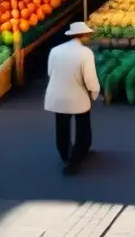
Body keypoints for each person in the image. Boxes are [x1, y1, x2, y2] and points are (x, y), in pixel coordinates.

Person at [45, 21, 100, 173]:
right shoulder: (85, 53)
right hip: (77, 96)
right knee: (83, 126)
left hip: (57, 95)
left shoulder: (55, 50)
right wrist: (94, 93)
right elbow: (90, 79)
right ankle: (76, 157)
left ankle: (65, 155)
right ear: (82, 36)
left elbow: (50, 72)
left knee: (61, 127)